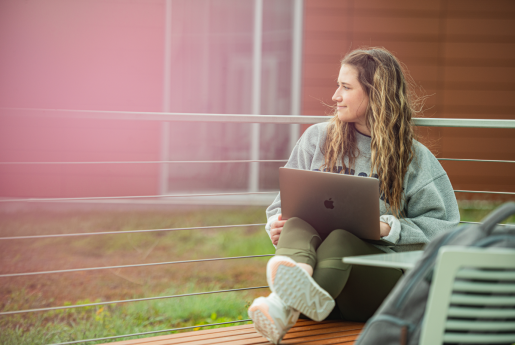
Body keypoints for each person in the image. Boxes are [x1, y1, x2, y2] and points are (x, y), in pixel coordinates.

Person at [247, 47, 460, 344]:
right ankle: (293, 300)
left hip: (378, 289)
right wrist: (276, 224)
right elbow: (282, 204)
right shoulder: (317, 138)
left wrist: (390, 227)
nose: (335, 96)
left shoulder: (413, 158)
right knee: (296, 223)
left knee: (341, 238)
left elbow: (446, 227)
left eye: (345, 87)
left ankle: (281, 305)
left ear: (376, 94)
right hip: (325, 295)